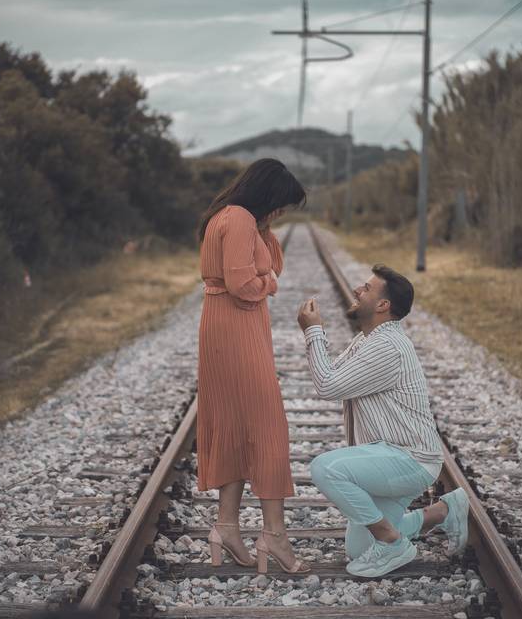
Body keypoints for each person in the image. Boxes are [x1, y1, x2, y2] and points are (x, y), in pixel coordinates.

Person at [297, 264, 470, 578]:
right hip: (392, 455)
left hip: (407, 458)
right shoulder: (368, 340)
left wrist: (312, 330)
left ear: (382, 305)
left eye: (365, 288)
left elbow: (327, 386)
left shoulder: (386, 346)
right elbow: (333, 377)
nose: (357, 291)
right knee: (359, 551)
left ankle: (391, 542)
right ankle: (445, 511)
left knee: (324, 468)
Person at [195, 158, 310, 574]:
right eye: (280, 205)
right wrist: (270, 286)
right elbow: (247, 284)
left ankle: (226, 526)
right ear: (267, 195)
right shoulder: (240, 219)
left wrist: (265, 229)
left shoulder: (234, 218)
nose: (280, 214)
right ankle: (274, 536)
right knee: (267, 426)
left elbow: (272, 259)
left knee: (237, 425)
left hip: (227, 322)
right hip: (236, 322)